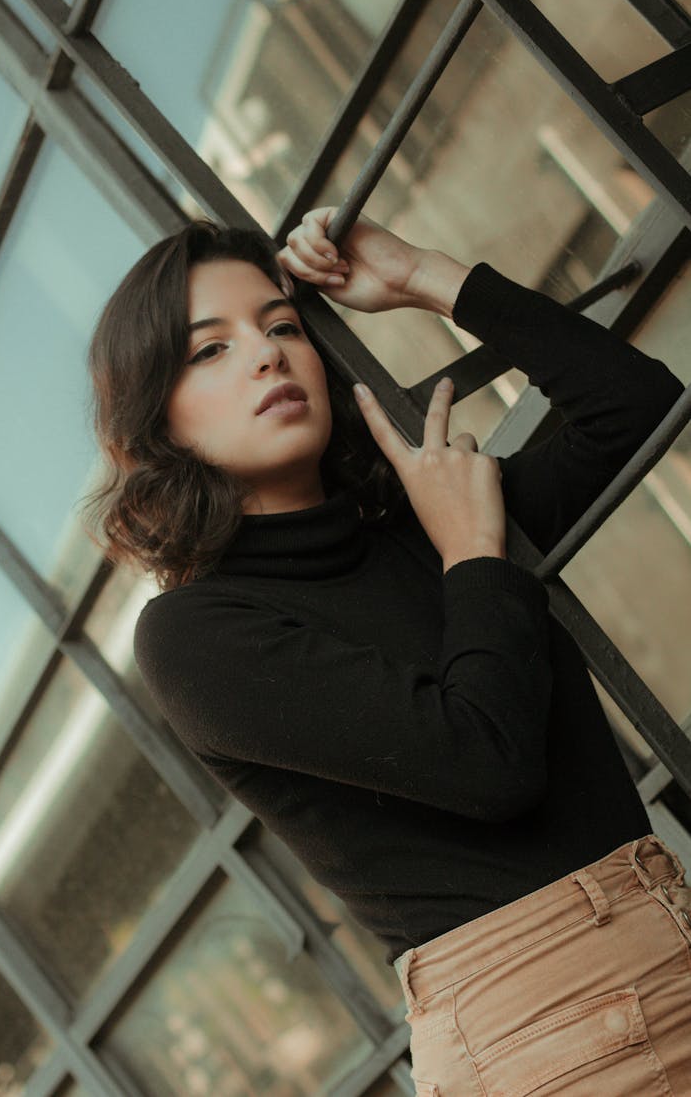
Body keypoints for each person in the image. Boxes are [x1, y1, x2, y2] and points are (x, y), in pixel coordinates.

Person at [87, 206, 691, 1095]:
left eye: (283, 326)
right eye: (209, 349)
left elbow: (635, 406)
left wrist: (422, 277)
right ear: (159, 420)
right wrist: (476, 555)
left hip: (653, 933)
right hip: (542, 1023)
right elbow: (488, 762)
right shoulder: (194, 634)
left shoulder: (427, 529)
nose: (267, 354)